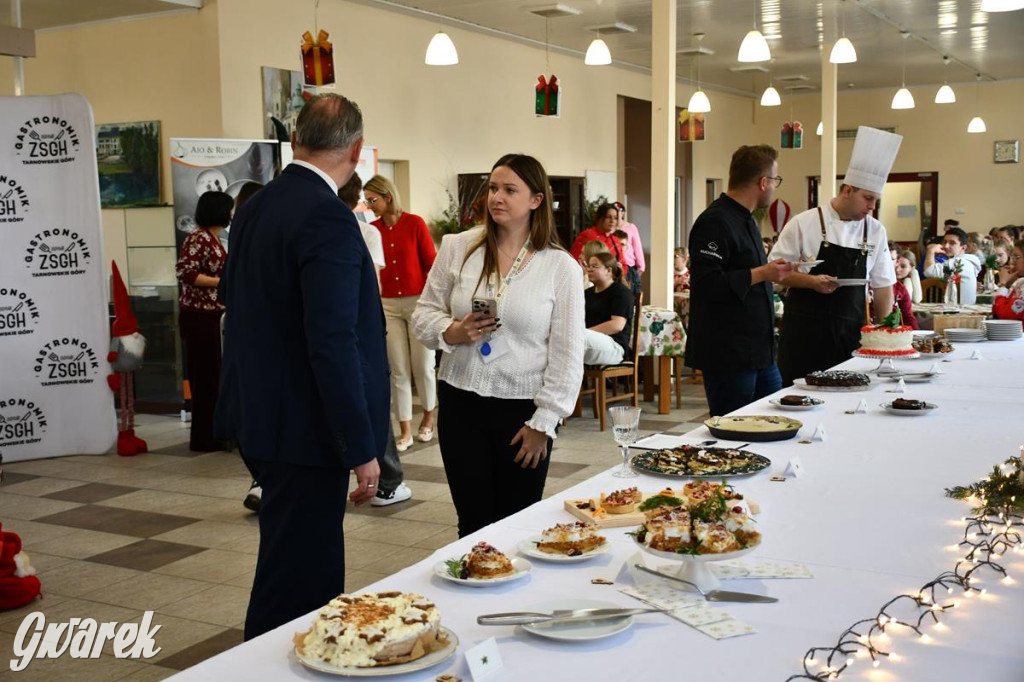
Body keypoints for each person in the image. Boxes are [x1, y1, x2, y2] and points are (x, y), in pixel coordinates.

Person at [214, 94, 386, 640]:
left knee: (286, 560)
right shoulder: (329, 217)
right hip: (307, 429)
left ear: (295, 143)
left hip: (260, 415)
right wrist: (361, 447)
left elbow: (233, 303)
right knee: (304, 582)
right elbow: (332, 341)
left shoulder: (255, 207)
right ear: (356, 151)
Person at [412, 153, 584, 538]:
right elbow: (422, 316)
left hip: (522, 413)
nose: (496, 198)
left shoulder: (559, 267)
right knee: (472, 524)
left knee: (517, 526)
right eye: (492, 188)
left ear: (536, 200)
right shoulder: (458, 247)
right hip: (460, 403)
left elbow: (568, 355)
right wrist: (452, 331)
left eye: (509, 190)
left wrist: (545, 422)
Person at [771, 126, 901, 386]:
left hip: (850, 336)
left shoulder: (875, 230)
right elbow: (775, 273)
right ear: (847, 190)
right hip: (803, 336)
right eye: (867, 198)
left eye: (876, 200)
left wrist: (885, 333)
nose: (872, 207)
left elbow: (884, 285)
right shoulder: (804, 222)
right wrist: (811, 281)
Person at [685, 144, 795, 417]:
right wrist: (763, 273)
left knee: (772, 422)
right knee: (734, 431)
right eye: (775, 181)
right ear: (763, 182)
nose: (774, 188)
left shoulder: (746, 219)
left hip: (760, 351)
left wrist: (772, 272)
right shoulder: (716, 221)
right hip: (729, 353)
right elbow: (707, 283)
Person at [338, 173, 412, 507]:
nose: (370, 205)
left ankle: (388, 478)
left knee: (374, 394)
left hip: (366, 321)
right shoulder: (365, 231)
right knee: (371, 397)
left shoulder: (367, 231)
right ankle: (387, 479)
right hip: (361, 324)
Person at [363, 175, 438, 452]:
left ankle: (429, 416)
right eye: (367, 201)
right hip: (388, 305)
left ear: (388, 197)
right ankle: (405, 428)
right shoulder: (373, 230)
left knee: (423, 366)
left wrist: (435, 303)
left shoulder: (415, 223)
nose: (370, 206)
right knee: (398, 369)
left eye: (373, 200)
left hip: (419, 302)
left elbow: (431, 264)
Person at [175, 190, 232, 452]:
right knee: (205, 377)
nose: (232, 214)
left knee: (215, 376)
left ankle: (216, 431)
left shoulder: (215, 239)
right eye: (228, 209)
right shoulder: (197, 238)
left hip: (214, 315)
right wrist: (224, 282)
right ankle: (203, 437)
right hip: (199, 316)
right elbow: (187, 274)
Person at [583, 251, 633, 365]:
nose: (589, 269)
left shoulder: (621, 292)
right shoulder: (586, 293)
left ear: (609, 270)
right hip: (589, 339)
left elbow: (616, 325)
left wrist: (582, 332)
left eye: (594, 266)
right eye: (588, 266)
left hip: (614, 345)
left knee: (575, 339)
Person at [923, 226, 982, 304]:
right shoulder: (968, 261)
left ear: (963, 247)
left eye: (952, 243)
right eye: (945, 242)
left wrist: (930, 251)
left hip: (959, 312)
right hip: (966, 308)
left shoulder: (958, 262)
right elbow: (945, 278)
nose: (946, 246)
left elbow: (928, 272)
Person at [570, 203, 629, 275]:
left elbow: (623, 264)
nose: (612, 221)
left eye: (615, 218)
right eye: (608, 217)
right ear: (600, 218)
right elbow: (575, 260)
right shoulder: (587, 235)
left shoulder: (615, 240)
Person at [614, 201, 646, 295]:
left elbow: (637, 248)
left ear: (623, 212)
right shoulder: (610, 228)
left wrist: (641, 267)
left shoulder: (631, 227)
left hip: (628, 266)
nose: (616, 214)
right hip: (613, 266)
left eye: (618, 211)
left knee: (630, 294)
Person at [993, 240, 1024, 322]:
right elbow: (996, 310)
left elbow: (1005, 316)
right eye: (1012, 257)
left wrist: (1002, 284)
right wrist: (1007, 285)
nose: (1012, 262)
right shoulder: (1020, 282)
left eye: (1017, 257)